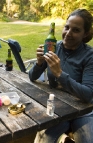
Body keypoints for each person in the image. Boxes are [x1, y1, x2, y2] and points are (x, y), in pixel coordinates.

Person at [29, 9, 93, 143]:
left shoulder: (89, 56)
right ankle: (63, 138)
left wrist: (59, 74)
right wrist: (39, 63)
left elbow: (88, 94)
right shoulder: (53, 47)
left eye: (75, 30)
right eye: (67, 27)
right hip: (56, 106)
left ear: (85, 34)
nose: (68, 33)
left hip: (83, 110)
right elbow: (32, 76)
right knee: (44, 139)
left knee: (88, 140)